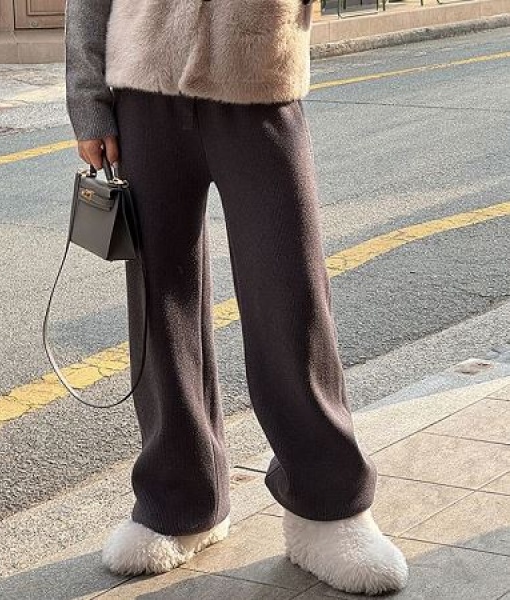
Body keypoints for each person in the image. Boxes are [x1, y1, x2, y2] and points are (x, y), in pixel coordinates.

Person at [64, 0, 408, 594]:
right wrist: (89, 101)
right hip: (143, 85)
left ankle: (327, 507)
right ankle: (180, 501)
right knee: (159, 302)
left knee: (290, 293)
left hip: (258, 75)